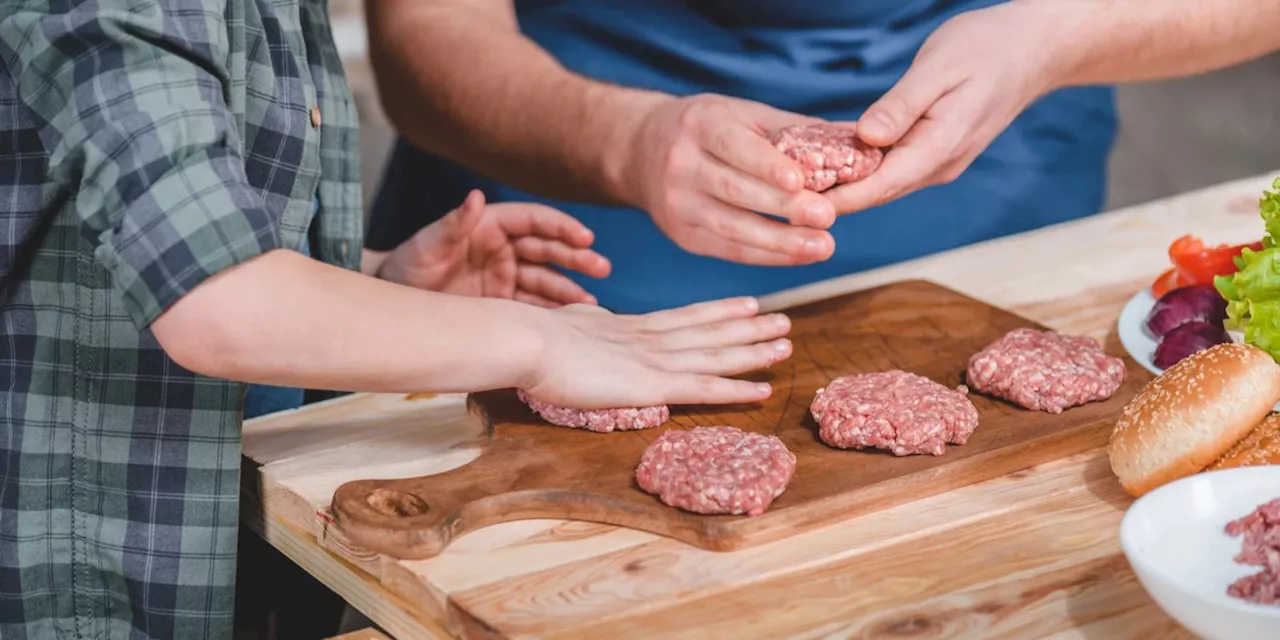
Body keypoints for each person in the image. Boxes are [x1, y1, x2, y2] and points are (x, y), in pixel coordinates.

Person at [0, 1, 795, 638]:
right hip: (97, 569)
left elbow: (162, 239)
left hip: (233, 531)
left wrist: (389, 283)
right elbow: (216, 302)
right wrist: (543, 344)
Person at [365, 0, 1280, 314]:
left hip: (992, 189)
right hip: (571, 226)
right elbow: (425, 32)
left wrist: (1051, 37)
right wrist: (620, 142)